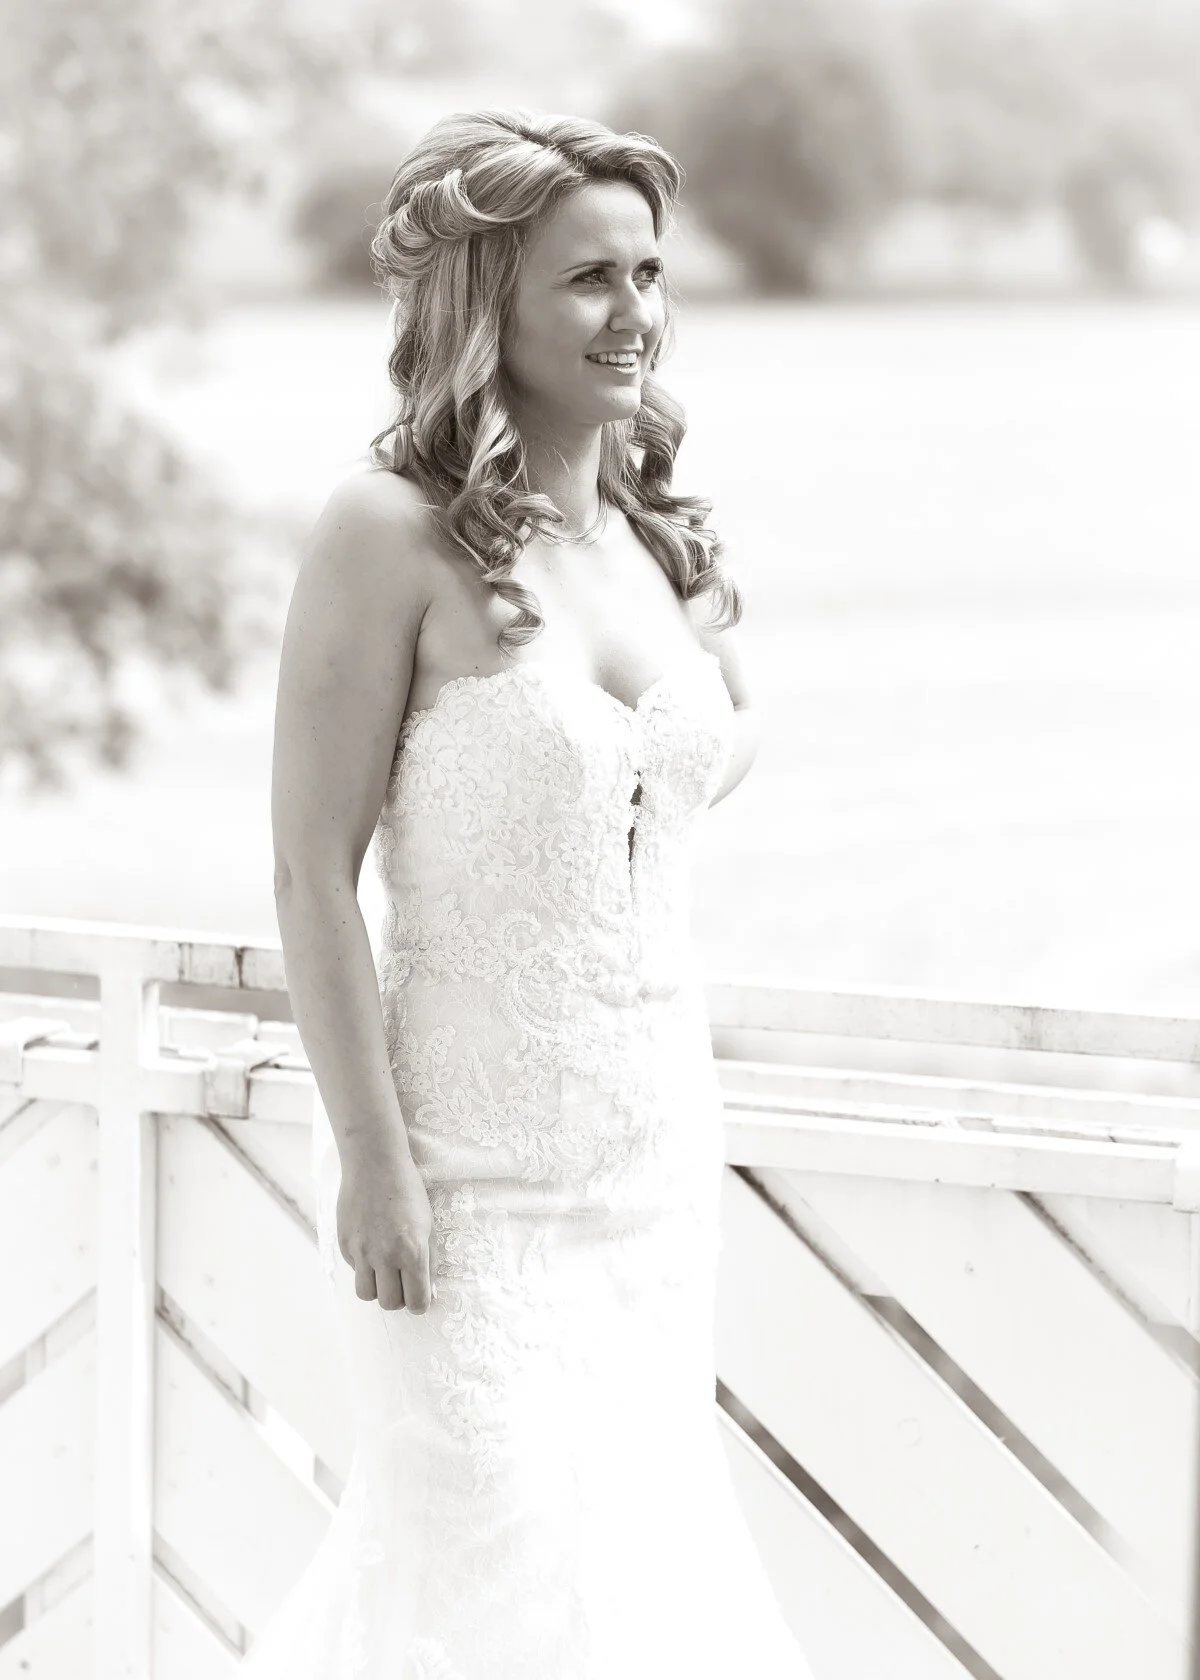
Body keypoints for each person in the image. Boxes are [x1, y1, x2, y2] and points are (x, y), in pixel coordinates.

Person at [258, 107, 816, 1678]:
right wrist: (372, 1156)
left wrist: (659, 756)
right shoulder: (384, 533)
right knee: (474, 1568)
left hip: (651, 1155)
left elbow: (701, 746)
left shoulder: (650, 539)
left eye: (650, 273)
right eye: (589, 278)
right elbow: (308, 869)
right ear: (484, 303)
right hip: (460, 1174)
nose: (636, 313)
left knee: (636, 1578)